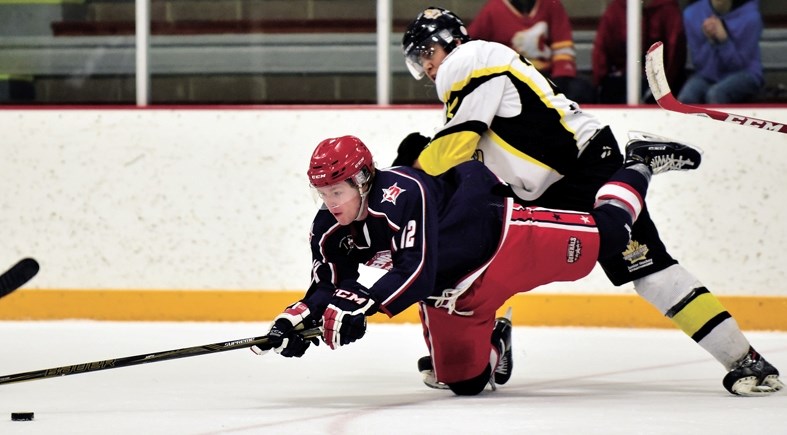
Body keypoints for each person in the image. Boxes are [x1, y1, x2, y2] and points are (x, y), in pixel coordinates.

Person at [398, 6, 783, 396]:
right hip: (544, 190)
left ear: (449, 41)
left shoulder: (468, 58)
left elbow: (453, 149)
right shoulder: (465, 83)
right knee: (481, 262)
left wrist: (409, 177)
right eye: (419, 61)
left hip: (584, 171)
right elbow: (465, 154)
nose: (427, 66)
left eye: (427, 52)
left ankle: (745, 359)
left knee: (648, 272)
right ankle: (480, 348)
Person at [252, 133, 704, 396]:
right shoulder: (329, 227)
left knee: (612, 235)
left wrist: (363, 304)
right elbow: (327, 285)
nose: (330, 204)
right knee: (465, 383)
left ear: (365, 179)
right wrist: (296, 318)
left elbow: (417, 267)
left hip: (504, 242)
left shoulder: (404, 192)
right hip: (453, 292)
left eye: (338, 191)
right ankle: (497, 339)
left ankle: (640, 161)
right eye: (323, 194)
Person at [467, 0, 595, 103]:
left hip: (546, 76)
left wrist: (561, 78)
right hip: (510, 80)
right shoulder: (493, 9)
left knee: (582, 90)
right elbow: (470, 46)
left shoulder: (551, 4)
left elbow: (563, 46)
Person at [592, 0, 687, 103]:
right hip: (622, 77)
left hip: (661, 78)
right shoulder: (616, 9)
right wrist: (601, 81)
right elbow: (601, 50)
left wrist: (666, 81)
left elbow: (675, 52)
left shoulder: (667, 9)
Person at [678, 0, 764, 104]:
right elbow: (699, 63)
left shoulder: (751, 17)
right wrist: (711, 39)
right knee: (686, 97)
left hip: (745, 73)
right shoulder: (692, 15)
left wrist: (723, 41)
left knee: (716, 94)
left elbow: (739, 65)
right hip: (707, 74)